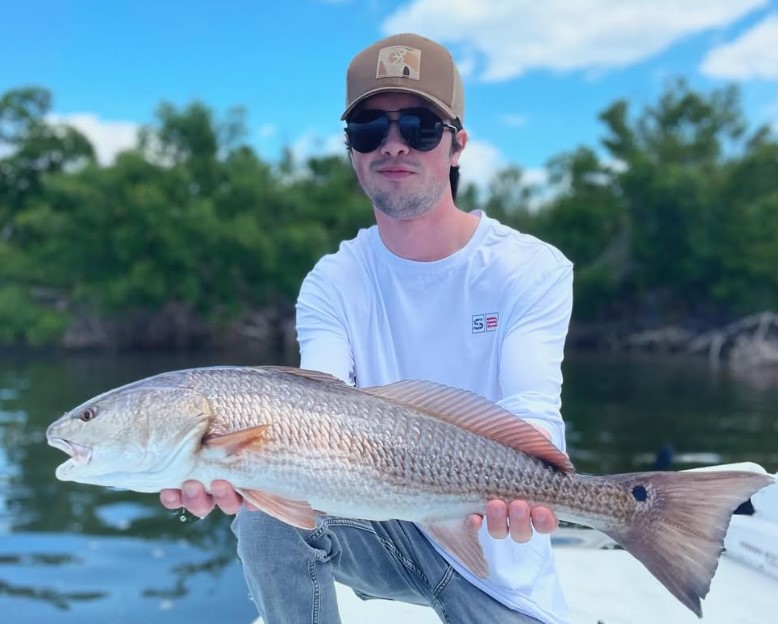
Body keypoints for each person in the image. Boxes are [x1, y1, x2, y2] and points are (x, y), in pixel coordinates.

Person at [161, 33, 573, 624]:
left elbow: (533, 408)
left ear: (457, 145)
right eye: (369, 129)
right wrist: (226, 468)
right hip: (382, 526)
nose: (393, 144)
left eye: (419, 127)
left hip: (496, 546)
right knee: (265, 516)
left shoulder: (530, 267)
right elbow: (314, 409)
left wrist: (542, 489)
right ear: (351, 149)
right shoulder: (332, 281)